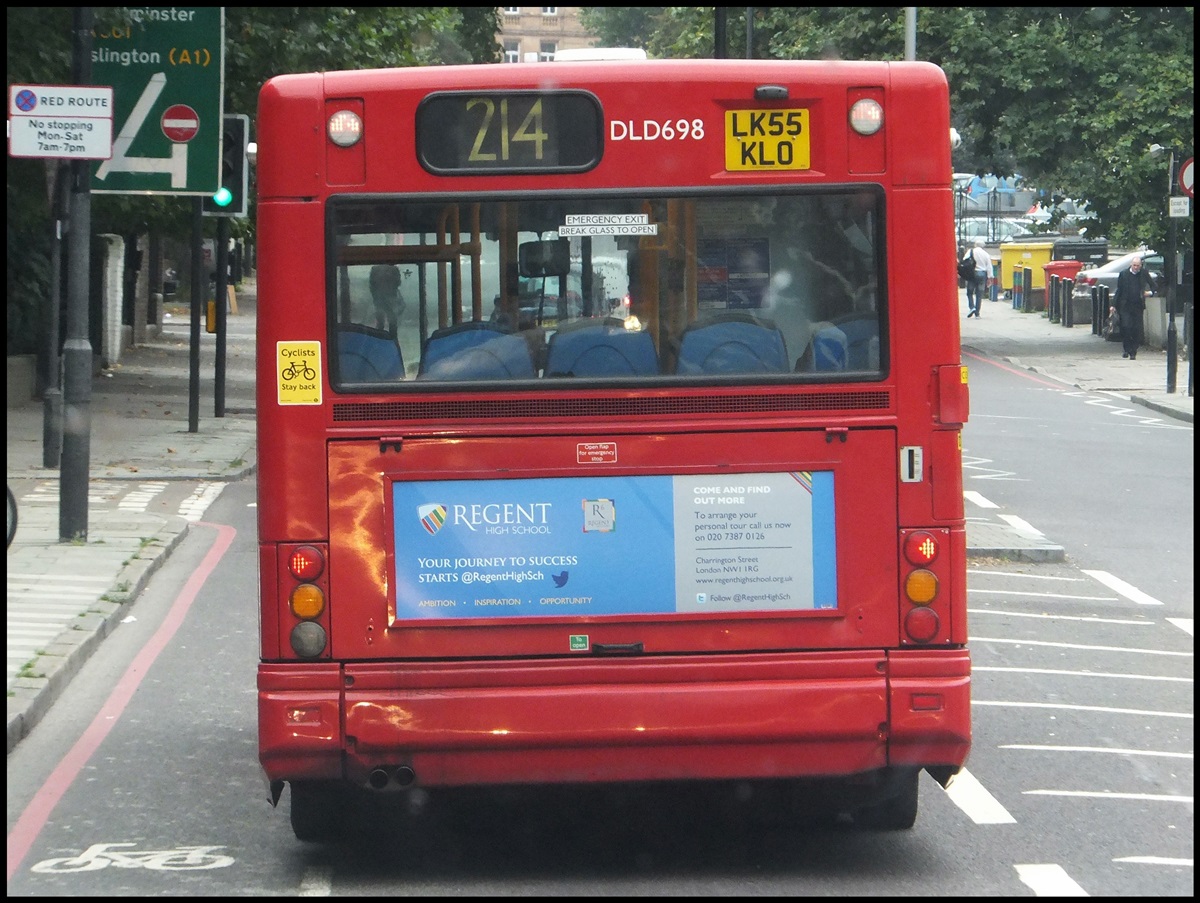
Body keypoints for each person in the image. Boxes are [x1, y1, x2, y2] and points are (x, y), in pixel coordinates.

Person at [1111, 255, 1148, 359]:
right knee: (1126, 327)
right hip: (1125, 305)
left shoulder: (1143, 273)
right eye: (1134, 265)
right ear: (1131, 264)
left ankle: (1133, 351)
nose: (1136, 267)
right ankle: (1126, 349)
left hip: (1137, 305)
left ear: (1141, 265)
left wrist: (1149, 293)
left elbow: (1153, 285)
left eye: (1138, 266)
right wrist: (1113, 305)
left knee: (1136, 328)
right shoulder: (1123, 274)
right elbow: (1119, 290)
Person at [368, 264, 404, 339]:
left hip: (381, 298)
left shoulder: (375, 269)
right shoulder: (393, 269)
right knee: (390, 321)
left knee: (385, 321)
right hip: (386, 298)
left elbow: (372, 285)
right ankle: (391, 339)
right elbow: (398, 282)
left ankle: (381, 338)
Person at [963, 237, 991, 317]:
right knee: (979, 294)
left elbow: (964, 260)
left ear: (975, 245)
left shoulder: (971, 251)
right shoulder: (986, 254)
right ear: (983, 246)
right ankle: (977, 313)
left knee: (969, 292)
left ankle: (972, 307)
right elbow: (989, 267)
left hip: (972, 273)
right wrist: (990, 277)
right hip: (982, 274)